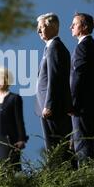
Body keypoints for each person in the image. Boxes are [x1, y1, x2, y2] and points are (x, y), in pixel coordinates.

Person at [35, 13, 73, 151]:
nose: (38, 31)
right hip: (48, 107)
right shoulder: (50, 48)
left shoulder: (55, 48)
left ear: (53, 27)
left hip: (53, 108)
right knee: (54, 148)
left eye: (42, 27)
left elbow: (55, 79)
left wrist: (49, 105)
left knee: (57, 148)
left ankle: (63, 173)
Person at [69, 13, 94, 165]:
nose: (71, 27)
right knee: (92, 145)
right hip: (91, 105)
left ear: (84, 27)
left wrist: (72, 103)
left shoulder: (83, 47)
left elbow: (78, 77)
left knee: (83, 145)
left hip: (82, 106)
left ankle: (87, 179)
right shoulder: (92, 45)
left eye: (74, 24)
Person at [0, 67, 28, 171]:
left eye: (1, 79)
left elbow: (19, 120)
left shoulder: (15, 98)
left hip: (9, 141)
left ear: (7, 80)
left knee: (9, 168)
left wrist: (21, 139)